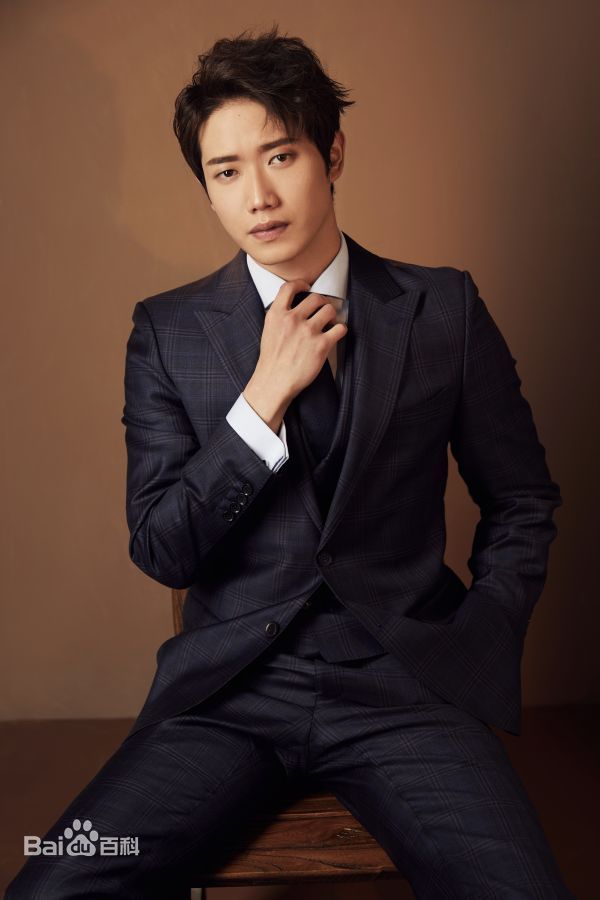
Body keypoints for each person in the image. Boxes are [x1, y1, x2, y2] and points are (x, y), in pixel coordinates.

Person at [6, 24, 575, 900]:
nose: (258, 197)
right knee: (51, 886)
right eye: (226, 172)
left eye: (280, 156)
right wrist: (260, 401)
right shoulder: (167, 332)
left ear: (332, 153)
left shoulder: (443, 309)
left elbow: (523, 499)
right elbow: (161, 546)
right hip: (229, 696)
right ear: (207, 187)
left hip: (407, 689)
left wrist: (479, 637)